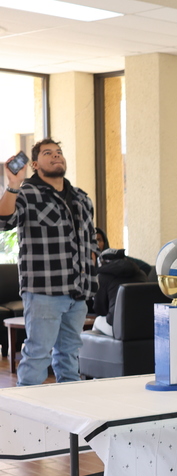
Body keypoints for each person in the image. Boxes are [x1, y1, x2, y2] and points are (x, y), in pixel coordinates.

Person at [0, 139, 97, 385]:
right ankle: (24, 419)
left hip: (78, 292)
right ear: (34, 164)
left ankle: (69, 415)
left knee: (70, 357)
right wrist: (12, 184)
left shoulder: (82, 198)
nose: (56, 156)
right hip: (44, 292)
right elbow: (3, 221)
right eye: (47, 153)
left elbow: (89, 243)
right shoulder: (26, 192)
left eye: (59, 152)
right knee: (37, 356)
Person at [90, 248, 148, 336]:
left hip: (119, 327)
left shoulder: (102, 277)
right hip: (146, 325)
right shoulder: (141, 273)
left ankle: (94, 349)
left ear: (101, 262)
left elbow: (99, 310)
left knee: (98, 320)